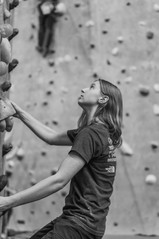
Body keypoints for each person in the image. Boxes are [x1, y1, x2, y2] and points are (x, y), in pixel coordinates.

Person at [0, 79, 123, 239]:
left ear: (103, 99)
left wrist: (8, 201)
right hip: (86, 222)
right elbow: (51, 137)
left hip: (80, 223)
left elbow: (59, 180)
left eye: (92, 87)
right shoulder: (100, 132)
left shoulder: (90, 134)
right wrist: (18, 112)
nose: (84, 88)